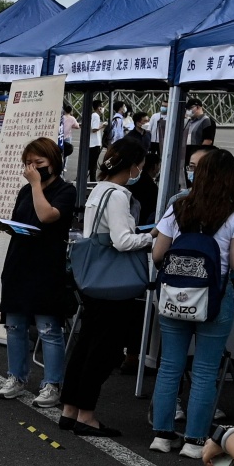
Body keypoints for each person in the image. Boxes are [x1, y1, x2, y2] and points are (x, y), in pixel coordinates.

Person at [148, 147, 234, 456]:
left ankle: (162, 436)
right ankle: (194, 442)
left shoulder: (179, 207)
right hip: (215, 298)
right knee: (205, 371)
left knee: (170, 366)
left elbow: (157, 254)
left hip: (174, 296)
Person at [58, 137, 155, 437]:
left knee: (85, 344)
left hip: (93, 279)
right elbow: (122, 240)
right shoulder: (118, 195)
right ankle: (86, 415)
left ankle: (69, 409)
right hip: (114, 285)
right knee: (103, 351)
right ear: (133, 166)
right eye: (141, 165)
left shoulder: (99, 189)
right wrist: (152, 237)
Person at [0, 137, 79, 412]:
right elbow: (20, 219)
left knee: (48, 328)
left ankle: (52, 383)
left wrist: (35, 185)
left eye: (38, 162)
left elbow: (46, 216)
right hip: (19, 262)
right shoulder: (24, 191)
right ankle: (16, 377)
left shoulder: (65, 190)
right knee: (15, 325)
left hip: (46, 266)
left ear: (53, 161)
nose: (32, 168)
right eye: (28, 163)